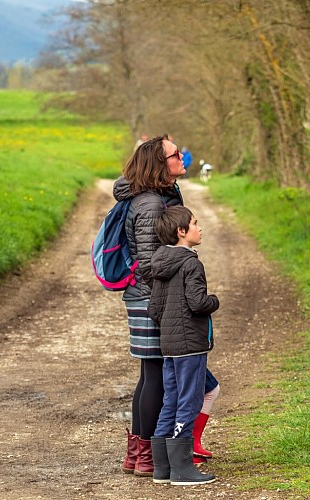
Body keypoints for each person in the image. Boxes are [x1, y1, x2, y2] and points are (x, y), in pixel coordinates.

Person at [113, 135, 186, 477]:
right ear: (160, 164)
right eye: (175, 155)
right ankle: (146, 455)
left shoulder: (155, 198)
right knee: (155, 373)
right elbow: (148, 261)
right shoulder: (150, 205)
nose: (182, 157)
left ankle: (137, 454)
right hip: (150, 297)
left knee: (149, 373)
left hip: (147, 295)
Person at [147, 206, 219, 485]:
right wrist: (214, 301)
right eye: (195, 223)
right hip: (191, 344)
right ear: (182, 232)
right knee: (189, 402)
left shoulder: (161, 262)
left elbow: (154, 309)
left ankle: (162, 469)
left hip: (170, 346)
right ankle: (182, 469)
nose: (200, 228)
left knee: (171, 401)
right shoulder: (191, 263)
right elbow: (198, 303)